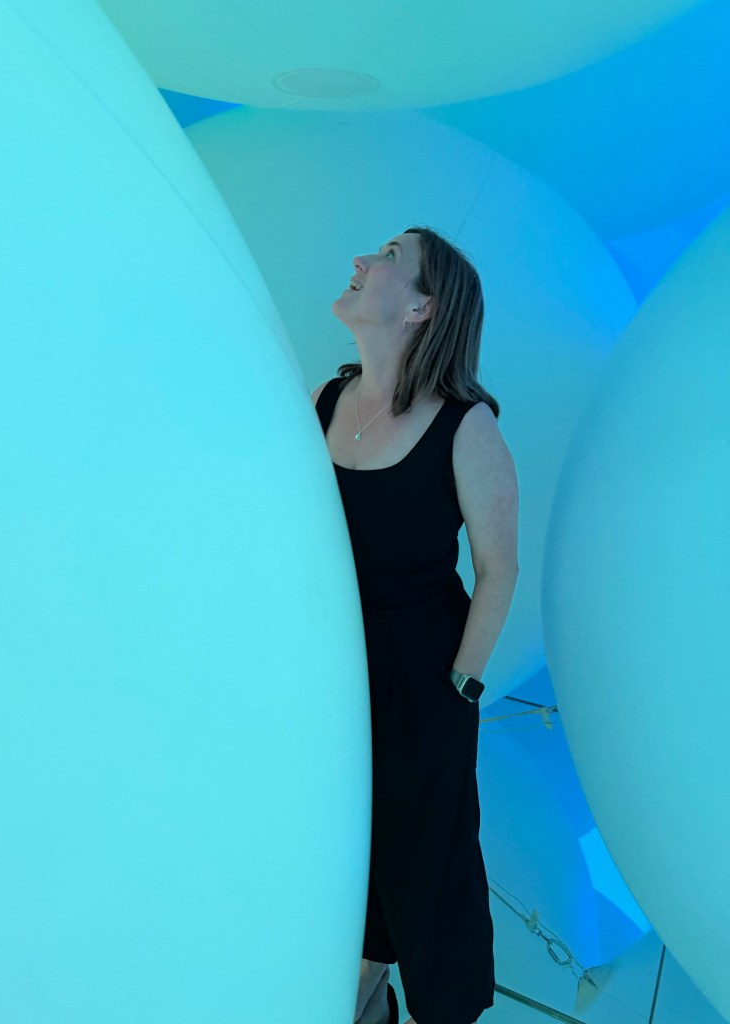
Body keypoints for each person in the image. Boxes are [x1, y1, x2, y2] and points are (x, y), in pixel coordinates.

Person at [311, 226, 519, 1024]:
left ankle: (443, 1010)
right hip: (334, 661)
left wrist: (459, 686)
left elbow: (499, 570)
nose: (362, 259)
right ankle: (364, 991)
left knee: (427, 854)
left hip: (423, 666)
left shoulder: (467, 426)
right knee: (342, 833)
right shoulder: (328, 400)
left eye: (390, 256)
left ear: (423, 307)